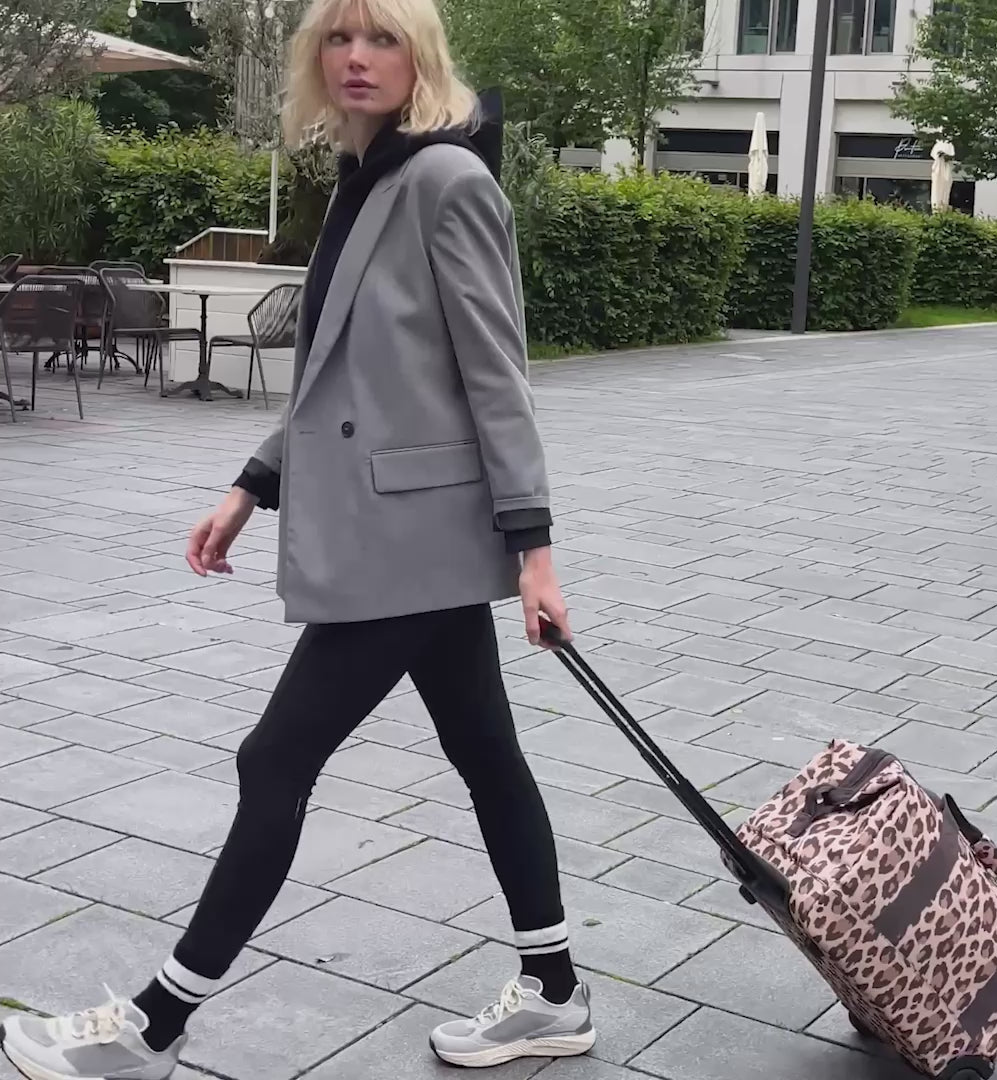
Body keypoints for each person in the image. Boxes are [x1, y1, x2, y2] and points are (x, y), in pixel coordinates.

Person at [0, 1, 596, 1076]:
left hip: (407, 538)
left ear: (422, 55)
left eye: (382, 37)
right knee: (487, 756)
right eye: (338, 38)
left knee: (274, 758)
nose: (357, 57)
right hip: (400, 528)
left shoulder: (447, 180)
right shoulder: (369, 176)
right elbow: (338, 376)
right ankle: (554, 991)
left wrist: (535, 551)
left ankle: (153, 1026)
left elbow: (498, 379)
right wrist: (252, 484)